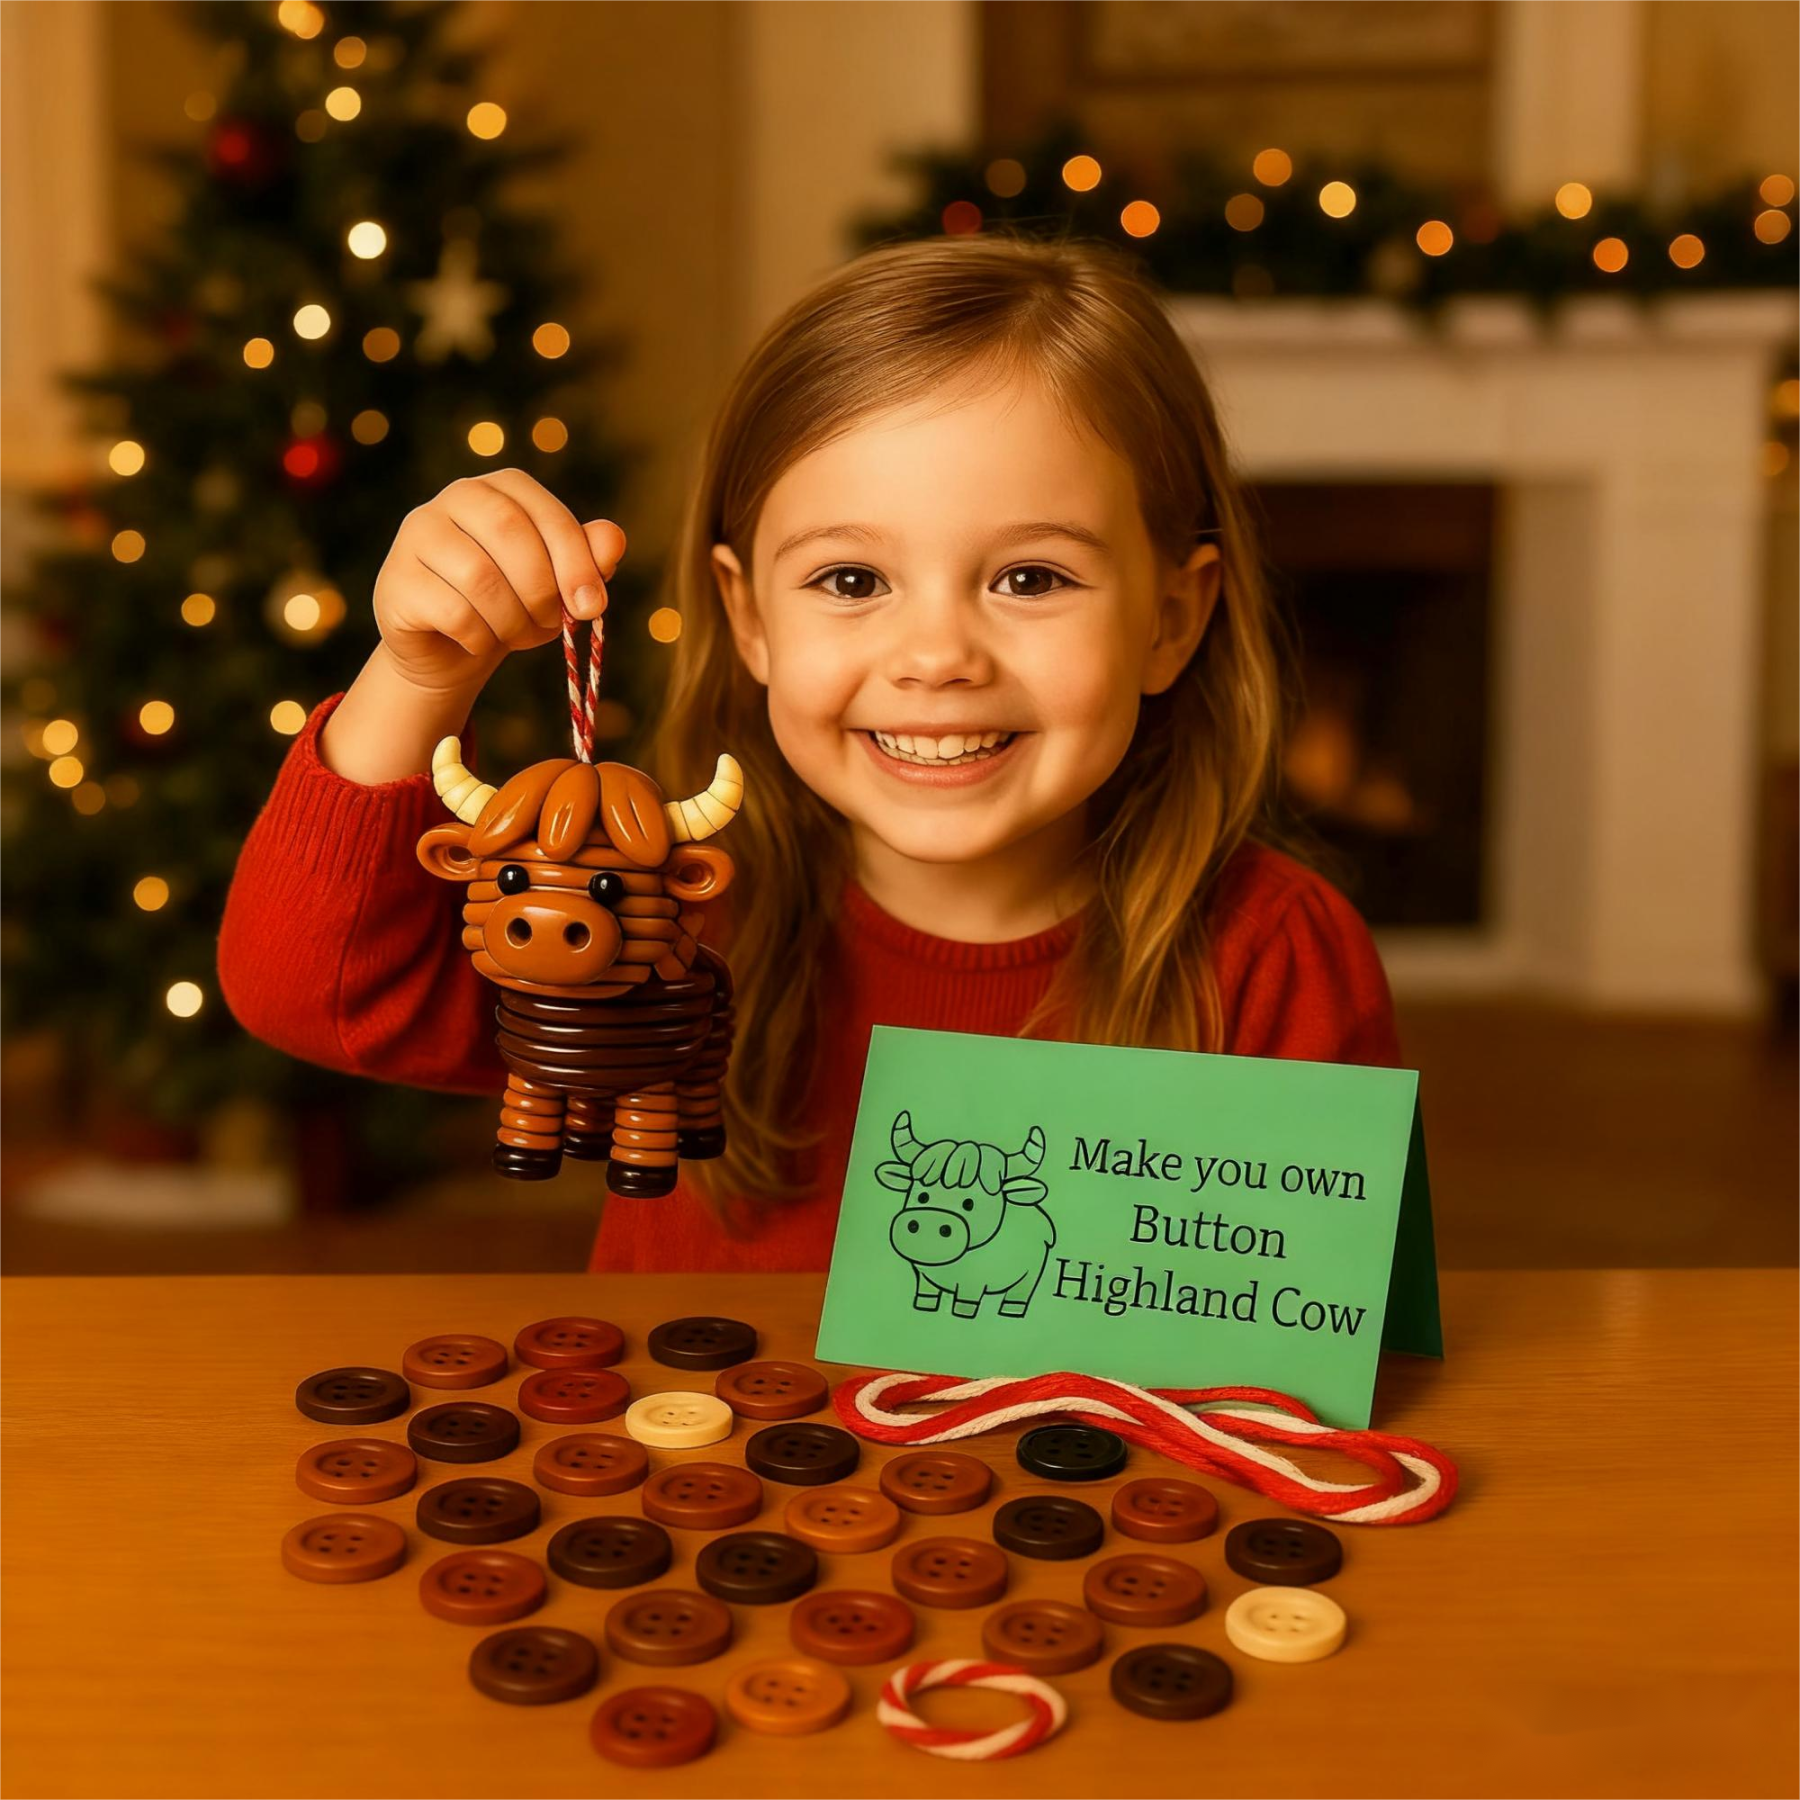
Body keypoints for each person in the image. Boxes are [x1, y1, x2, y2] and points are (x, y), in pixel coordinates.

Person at [218, 231, 1402, 1274]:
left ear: (1171, 620)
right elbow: (309, 991)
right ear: (750, 619)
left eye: (1031, 578)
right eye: (851, 579)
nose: (936, 656)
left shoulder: (1273, 958)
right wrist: (423, 674)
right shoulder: (666, 915)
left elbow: (1307, 1328)